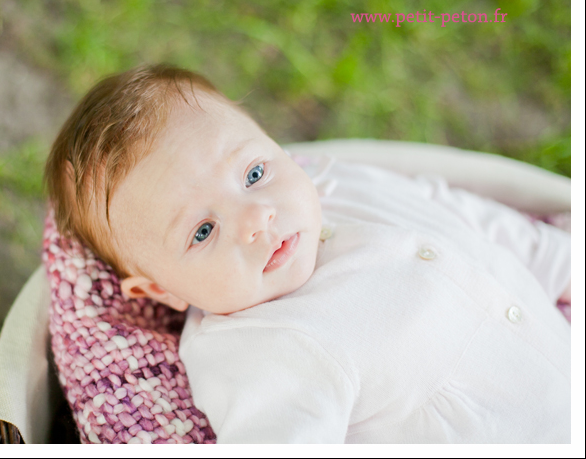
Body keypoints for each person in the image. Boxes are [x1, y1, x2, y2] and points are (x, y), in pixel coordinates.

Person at [45, 64, 571, 443]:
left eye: (254, 173)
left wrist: (563, 263)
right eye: (203, 231)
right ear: (163, 291)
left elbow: (462, 217)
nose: (256, 219)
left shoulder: (334, 186)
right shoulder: (261, 348)